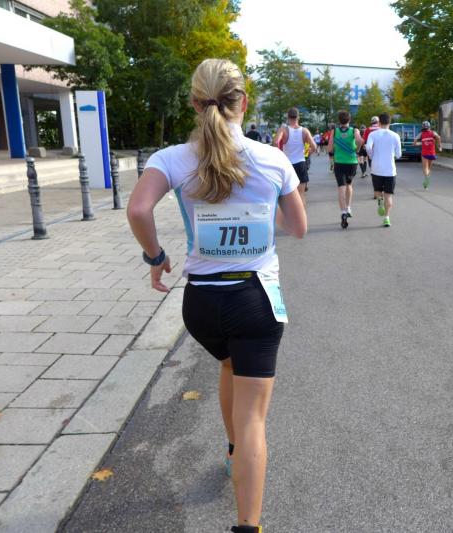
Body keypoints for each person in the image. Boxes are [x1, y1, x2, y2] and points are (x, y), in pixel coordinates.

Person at [127, 58, 307, 533]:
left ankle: (231, 452)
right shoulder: (272, 159)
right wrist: (262, 211)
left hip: (202, 305)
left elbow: (139, 209)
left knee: (229, 364)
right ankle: (248, 525)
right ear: (243, 101)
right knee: (254, 422)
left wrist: (155, 256)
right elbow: (300, 228)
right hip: (255, 300)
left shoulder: (171, 158)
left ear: (194, 103)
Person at [274, 107, 317, 207]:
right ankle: (302, 216)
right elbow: (314, 146)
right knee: (301, 194)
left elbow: (276, 142)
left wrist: (280, 155)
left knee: (287, 196)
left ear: (288, 117)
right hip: (301, 163)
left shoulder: (284, 130)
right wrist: (307, 153)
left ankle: (289, 216)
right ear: (298, 117)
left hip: (287, 164)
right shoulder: (304, 131)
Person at [327, 111, 363, 229]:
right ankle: (348, 208)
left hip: (339, 162)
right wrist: (357, 149)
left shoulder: (334, 131)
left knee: (341, 187)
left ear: (339, 120)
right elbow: (360, 141)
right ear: (349, 120)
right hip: (352, 163)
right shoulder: (354, 130)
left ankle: (343, 212)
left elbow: (329, 148)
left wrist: (335, 149)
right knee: (349, 185)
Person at [365, 112, 401, 227]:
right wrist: (393, 155)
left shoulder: (373, 134)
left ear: (379, 122)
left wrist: (372, 156)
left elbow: (368, 147)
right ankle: (387, 218)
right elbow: (399, 154)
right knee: (388, 195)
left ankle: (380, 201)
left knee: (377, 192)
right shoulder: (395, 136)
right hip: (390, 170)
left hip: (376, 168)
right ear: (389, 122)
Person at [414, 121, 441, 190]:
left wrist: (419, 143)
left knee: (425, 168)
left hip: (424, 153)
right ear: (429, 127)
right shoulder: (433, 133)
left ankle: (426, 179)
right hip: (432, 153)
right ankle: (427, 182)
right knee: (429, 168)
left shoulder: (421, 134)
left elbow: (415, 142)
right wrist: (439, 146)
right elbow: (438, 137)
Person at [362, 116, 381, 199]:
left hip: (372, 154)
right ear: (378, 122)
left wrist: (364, 146)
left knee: (373, 172)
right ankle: (381, 191)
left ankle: (376, 192)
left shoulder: (368, 130)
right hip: (381, 153)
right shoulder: (381, 129)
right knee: (381, 171)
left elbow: (364, 141)